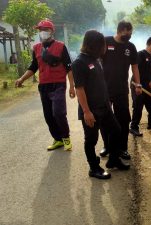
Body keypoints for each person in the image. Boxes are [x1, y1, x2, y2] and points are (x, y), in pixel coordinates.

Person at [72, 29, 130, 179]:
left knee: (116, 130)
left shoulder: (95, 59)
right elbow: (79, 89)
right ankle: (94, 168)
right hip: (91, 110)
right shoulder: (79, 62)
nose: (104, 48)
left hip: (104, 106)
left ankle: (113, 160)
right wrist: (86, 111)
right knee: (91, 140)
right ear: (93, 45)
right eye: (102, 45)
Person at [15, 19, 75, 151]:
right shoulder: (36, 48)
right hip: (44, 86)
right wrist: (21, 79)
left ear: (52, 31)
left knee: (58, 112)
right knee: (48, 115)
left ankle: (66, 138)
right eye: (40, 30)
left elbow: (69, 67)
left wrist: (72, 86)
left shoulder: (61, 46)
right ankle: (58, 139)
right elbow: (33, 67)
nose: (42, 33)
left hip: (58, 84)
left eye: (45, 30)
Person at [98, 21, 140, 160]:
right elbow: (97, 60)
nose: (130, 35)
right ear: (121, 30)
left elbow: (135, 67)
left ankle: (123, 148)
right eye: (129, 33)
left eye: (131, 33)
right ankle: (107, 146)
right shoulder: (106, 41)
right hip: (104, 89)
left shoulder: (130, 47)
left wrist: (138, 84)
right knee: (104, 119)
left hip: (121, 89)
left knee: (123, 119)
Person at [129, 37, 151, 136]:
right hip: (137, 85)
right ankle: (133, 127)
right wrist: (137, 84)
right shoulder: (141, 54)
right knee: (138, 107)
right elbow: (135, 69)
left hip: (147, 86)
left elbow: (150, 70)